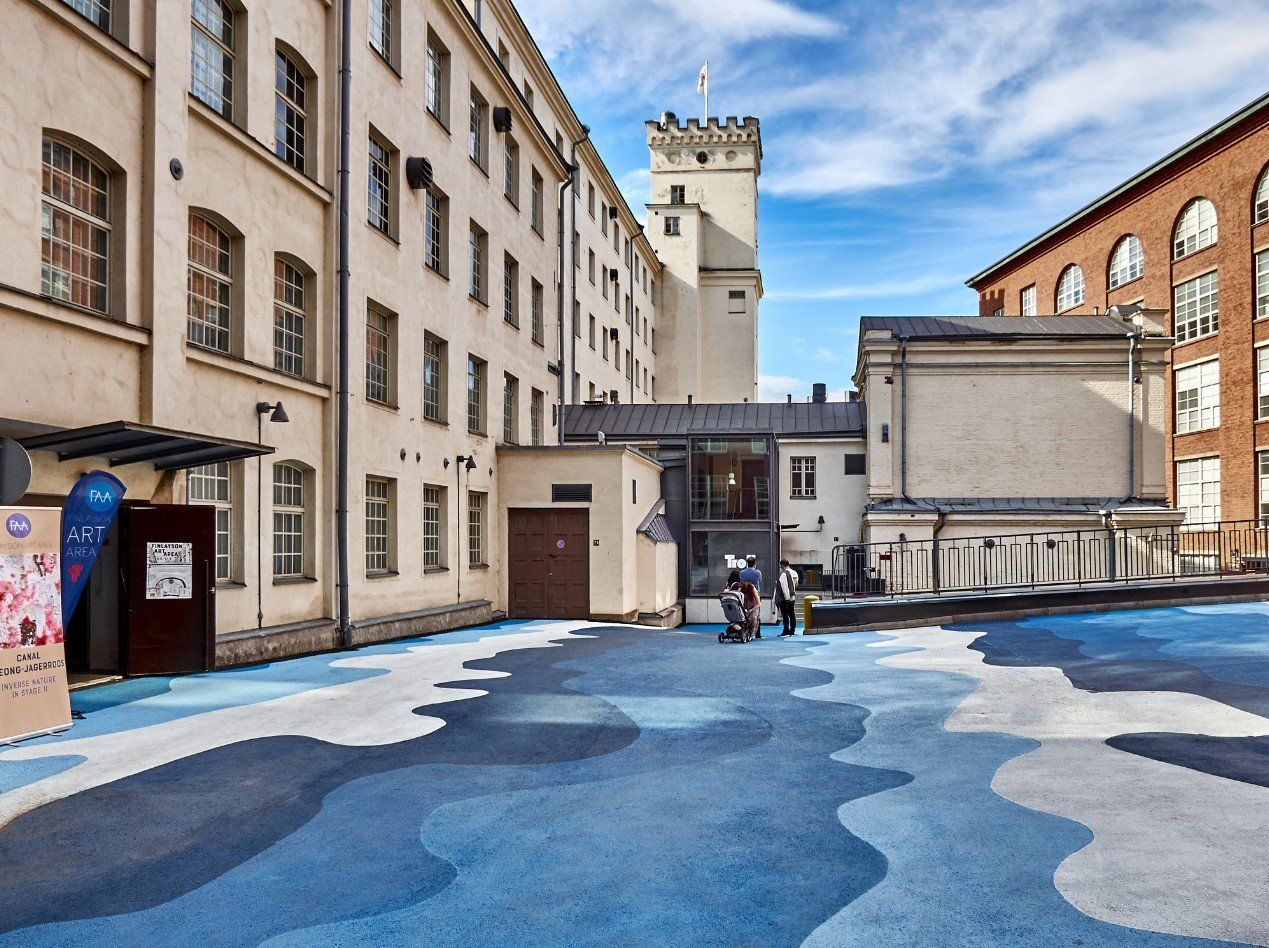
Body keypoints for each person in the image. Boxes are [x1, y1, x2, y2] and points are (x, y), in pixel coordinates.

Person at [774, 559, 799, 636]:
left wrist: (786, 597)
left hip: (784, 597)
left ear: (782, 565)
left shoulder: (783, 573)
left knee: (785, 615)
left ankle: (786, 630)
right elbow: (796, 584)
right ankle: (792, 630)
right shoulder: (794, 572)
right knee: (792, 614)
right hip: (792, 596)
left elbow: (784, 587)